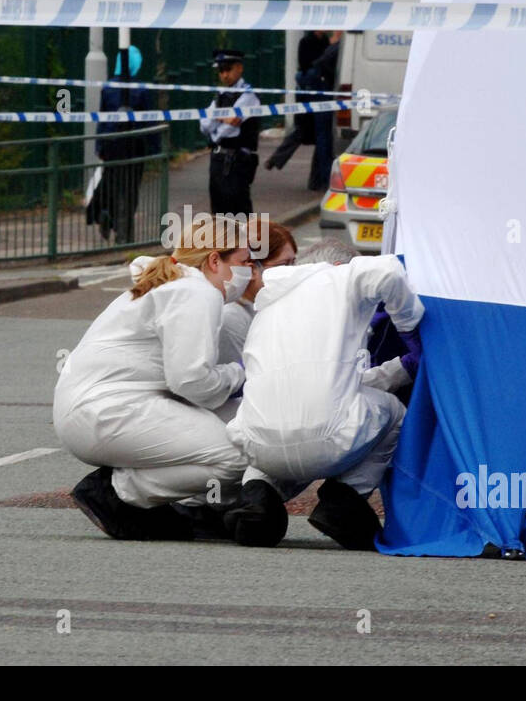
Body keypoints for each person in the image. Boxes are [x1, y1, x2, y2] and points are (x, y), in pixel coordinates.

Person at [54, 215, 253, 540]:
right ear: (215, 259)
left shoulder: (173, 284)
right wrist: (239, 374)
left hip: (96, 409)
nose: (250, 271)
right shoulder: (197, 293)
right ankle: (119, 492)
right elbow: (191, 382)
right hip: (108, 412)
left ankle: (148, 498)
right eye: (244, 261)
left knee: (229, 435)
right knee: (239, 453)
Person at [223, 239, 424, 550]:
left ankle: (256, 498)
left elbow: (332, 382)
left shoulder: (272, 299)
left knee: (279, 417)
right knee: (393, 412)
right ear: (341, 266)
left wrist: (399, 369)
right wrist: (411, 332)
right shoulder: (341, 277)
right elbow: (387, 272)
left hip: (256, 446)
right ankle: (343, 500)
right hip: (327, 439)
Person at [88, 44, 160, 244]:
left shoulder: (108, 87)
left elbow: (102, 119)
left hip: (111, 144)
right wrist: (155, 149)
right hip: (133, 145)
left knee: (112, 184)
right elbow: (149, 119)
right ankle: (123, 234)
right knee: (129, 190)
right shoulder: (141, 90)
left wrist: (99, 146)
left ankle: (106, 214)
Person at [264, 29, 338, 190]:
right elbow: (310, 65)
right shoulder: (308, 42)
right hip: (312, 93)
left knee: (314, 135)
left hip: (312, 93)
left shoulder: (324, 41)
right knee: (314, 134)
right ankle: (319, 180)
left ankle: (314, 180)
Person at [218, 219, 297, 365]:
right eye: (283, 265)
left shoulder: (263, 305)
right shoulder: (231, 317)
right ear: (252, 268)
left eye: (293, 263)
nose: (292, 272)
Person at [200, 49, 261, 217]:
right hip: (218, 160)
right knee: (218, 211)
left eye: (228, 69)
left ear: (239, 68)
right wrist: (222, 117)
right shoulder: (220, 95)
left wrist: (216, 118)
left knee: (239, 211)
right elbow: (204, 125)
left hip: (238, 160)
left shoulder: (248, 95)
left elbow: (232, 125)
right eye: (221, 70)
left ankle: (247, 244)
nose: (224, 74)